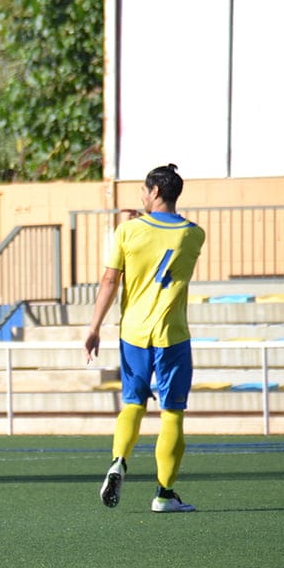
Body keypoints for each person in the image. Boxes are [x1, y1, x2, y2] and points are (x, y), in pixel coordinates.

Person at [85, 164, 206, 513]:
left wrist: (93, 328)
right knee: (172, 414)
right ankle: (164, 494)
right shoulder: (194, 235)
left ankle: (119, 461)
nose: (141, 195)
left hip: (133, 333)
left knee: (133, 404)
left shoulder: (128, 231)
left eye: (143, 189)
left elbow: (109, 281)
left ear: (154, 191)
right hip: (172, 334)